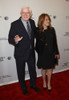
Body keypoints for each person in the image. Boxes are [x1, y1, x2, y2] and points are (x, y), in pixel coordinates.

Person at [8, 7, 40, 95]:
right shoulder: (15, 24)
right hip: (20, 53)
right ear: (20, 13)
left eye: (28, 13)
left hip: (31, 52)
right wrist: (15, 41)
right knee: (21, 72)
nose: (26, 14)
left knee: (32, 70)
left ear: (30, 14)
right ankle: (23, 87)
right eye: (24, 12)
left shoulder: (32, 22)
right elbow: (10, 38)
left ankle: (33, 85)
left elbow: (35, 33)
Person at [36, 13, 60, 92]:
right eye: (46, 19)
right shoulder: (38, 30)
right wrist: (43, 30)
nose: (48, 21)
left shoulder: (52, 29)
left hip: (50, 52)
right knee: (43, 69)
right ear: (42, 21)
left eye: (48, 19)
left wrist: (56, 52)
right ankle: (44, 82)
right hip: (42, 53)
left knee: (50, 69)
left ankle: (49, 83)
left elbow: (54, 42)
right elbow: (37, 43)